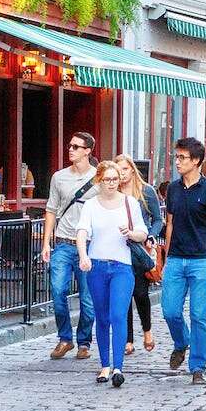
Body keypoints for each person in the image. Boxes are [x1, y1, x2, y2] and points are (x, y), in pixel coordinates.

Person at [74, 161, 149, 388]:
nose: (111, 184)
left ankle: (118, 367)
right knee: (102, 316)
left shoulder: (130, 203)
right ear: (99, 181)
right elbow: (82, 232)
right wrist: (83, 256)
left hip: (122, 267)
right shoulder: (91, 205)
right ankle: (105, 365)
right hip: (97, 266)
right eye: (106, 179)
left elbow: (142, 232)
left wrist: (132, 233)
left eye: (115, 179)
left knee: (118, 315)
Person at [160, 137, 206, 384]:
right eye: (176, 157)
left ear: (196, 161)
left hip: (202, 261)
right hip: (176, 259)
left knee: (199, 315)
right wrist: (166, 259)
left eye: (182, 158)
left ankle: (197, 366)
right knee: (170, 311)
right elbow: (170, 224)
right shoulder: (173, 190)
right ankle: (181, 342)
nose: (177, 162)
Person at [42, 131, 99, 362]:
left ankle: (84, 341)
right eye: (70, 146)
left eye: (76, 146)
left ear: (87, 151)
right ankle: (64, 338)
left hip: (90, 245)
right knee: (57, 291)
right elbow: (51, 210)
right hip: (64, 243)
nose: (71, 149)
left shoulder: (99, 177)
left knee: (88, 298)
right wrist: (46, 242)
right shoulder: (59, 177)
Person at [117, 155, 161, 354]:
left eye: (125, 169)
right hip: (118, 248)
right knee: (124, 294)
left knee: (141, 293)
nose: (122, 174)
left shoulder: (146, 191)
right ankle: (128, 339)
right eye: (118, 170)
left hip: (139, 248)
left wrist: (151, 235)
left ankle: (147, 330)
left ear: (132, 170)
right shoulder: (113, 192)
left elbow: (158, 219)